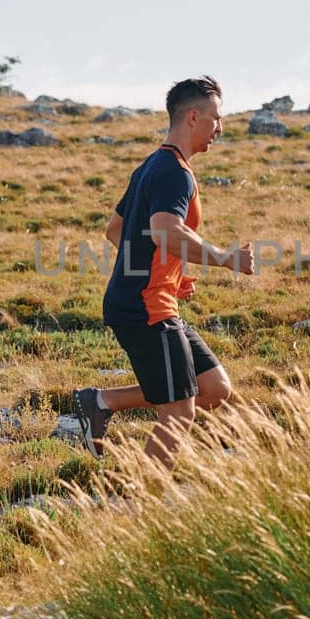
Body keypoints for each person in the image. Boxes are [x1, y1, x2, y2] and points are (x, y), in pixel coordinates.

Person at [72, 76, 256, 464]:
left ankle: (100, 402)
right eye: (217, 119)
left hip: (147, 299)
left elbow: (117, 230)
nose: (220, 128)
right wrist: (225, 258)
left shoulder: (150, 167)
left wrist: (167, 271)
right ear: (193, 117)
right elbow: (165, 230)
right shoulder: (175, 172)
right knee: (180, 409)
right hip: (146, 308)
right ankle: (140, 507)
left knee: (214, 387)